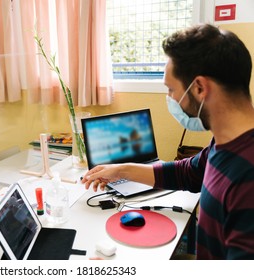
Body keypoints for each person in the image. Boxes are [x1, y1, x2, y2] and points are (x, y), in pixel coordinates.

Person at [82, 24, 254, 260]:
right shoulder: (227, 142)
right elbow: (188, 173)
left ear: (200, 87)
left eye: (172, 90)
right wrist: (121, 170)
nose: (171, 99)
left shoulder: (248, 176)